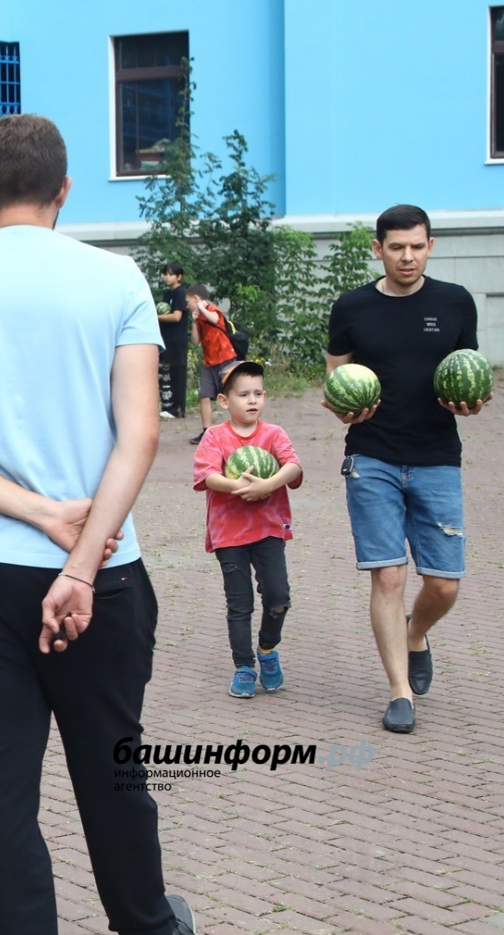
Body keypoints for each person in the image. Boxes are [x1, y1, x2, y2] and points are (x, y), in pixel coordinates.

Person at [0, 113, 195, 935]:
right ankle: (149, 923)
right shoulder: (118, 280)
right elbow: (141, 433)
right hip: (102, 571)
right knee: (112, 767)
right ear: (65, 189)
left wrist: (32, 513)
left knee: (4, 785)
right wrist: (82, 562)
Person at [324, 203, 487, 734]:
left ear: (431, 245)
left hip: (437, 456)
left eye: (417, 246)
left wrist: (472, 403)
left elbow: (469, 372)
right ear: (378, 249)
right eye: (397, 247)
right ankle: (399, 692)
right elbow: (334, 383)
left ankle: (416, 633)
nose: (408, 256)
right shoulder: (351, 307)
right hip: (371, 454)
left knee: (444, 584)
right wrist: (344, 408)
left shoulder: (456, 302)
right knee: (388, 573)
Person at [192, 361, 304, 698]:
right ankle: (244, 666)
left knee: (278, 596)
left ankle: (267, 650)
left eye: (257, 393)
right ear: (225, 401)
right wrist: (236, 485)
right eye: (243, 394)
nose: (252, 400)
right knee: (239, 605)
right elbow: (207, 477)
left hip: (269, 530)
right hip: (229, 535)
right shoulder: (215, 436)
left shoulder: (274, 434)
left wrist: (267, 484)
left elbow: (294, 467)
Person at [185, 284, 241, 444]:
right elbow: (195, 342)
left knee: (232, 395)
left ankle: (238, 427)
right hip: (209, 362)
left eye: (189, 302)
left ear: (196, 299)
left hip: (225, 359)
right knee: (204, 395)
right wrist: (195, 322)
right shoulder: (199, 317)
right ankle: (206, 431)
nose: (188, 306)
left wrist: (203, 309)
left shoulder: (212, 309)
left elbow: (215, 319)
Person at [157, 263, 188, 419]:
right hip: (166, 339)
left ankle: (177, 408)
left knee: (177, 372)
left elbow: (177, 316)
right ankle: (167, 406)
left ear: (179, 277)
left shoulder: (180, 293)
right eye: (165, 274)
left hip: (177, 340)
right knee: (165, 372)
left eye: (170, 274)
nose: (166, 276)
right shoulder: (167, 294)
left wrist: (155, 317)